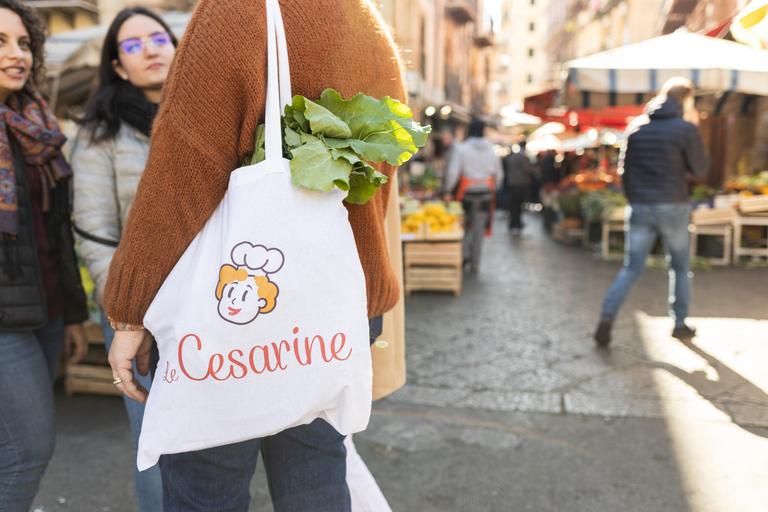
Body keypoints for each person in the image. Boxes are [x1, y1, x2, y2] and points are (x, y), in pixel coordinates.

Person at [102, 0, 405, 510]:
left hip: (230, 317)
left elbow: (183, 170)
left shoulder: (236, 12)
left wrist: (129, 312)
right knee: (317, 482)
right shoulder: (369, 25)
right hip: (338, 303)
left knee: (207, 490)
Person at [70, 8, 179, 511]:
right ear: (117, 66)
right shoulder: (102, 134)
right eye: (134, 46)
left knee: (221, 440)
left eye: (158, 38)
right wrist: (131, 313)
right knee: (156, 443)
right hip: (137, 312)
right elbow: (95, 235)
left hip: (215, 299)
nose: (152, 50)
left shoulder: (208, 114)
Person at [0, 1, 89, 509]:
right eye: (0, 42)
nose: (18, 55)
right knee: (27, 452)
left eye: (24, 42)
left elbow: (57, 230)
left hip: (47, 309)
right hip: (5, 322)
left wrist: (74, 313)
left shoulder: (35, 125)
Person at [594, 77, 710, 347]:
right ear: (686, 99)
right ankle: (680, 323)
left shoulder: (636, 127)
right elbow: (701, 169)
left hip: (641, 206)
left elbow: (624, 172)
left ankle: (608, 314)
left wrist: (635, 198)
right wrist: (695, 131)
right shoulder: (685, 129)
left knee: (632, 267)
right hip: (673, 204)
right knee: (680, 266)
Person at [443, 119, 503, 272]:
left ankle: (464, 255)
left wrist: (448, 191)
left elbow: (453, 172)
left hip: (466, 194)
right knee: (479, 228)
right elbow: (499, 175)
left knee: (464, 226)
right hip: (485, 195)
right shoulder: (491, 151)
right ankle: (475, 262)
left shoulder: (462, 149)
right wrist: (491, 186)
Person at [502, 140, 532, 234]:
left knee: (514, 205)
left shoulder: (512, 157)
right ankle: (515, 224)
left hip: (512, 183)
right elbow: (525, 170)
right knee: (517, 205)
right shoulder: (522, 157)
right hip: (519, 184)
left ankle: (515, 223)